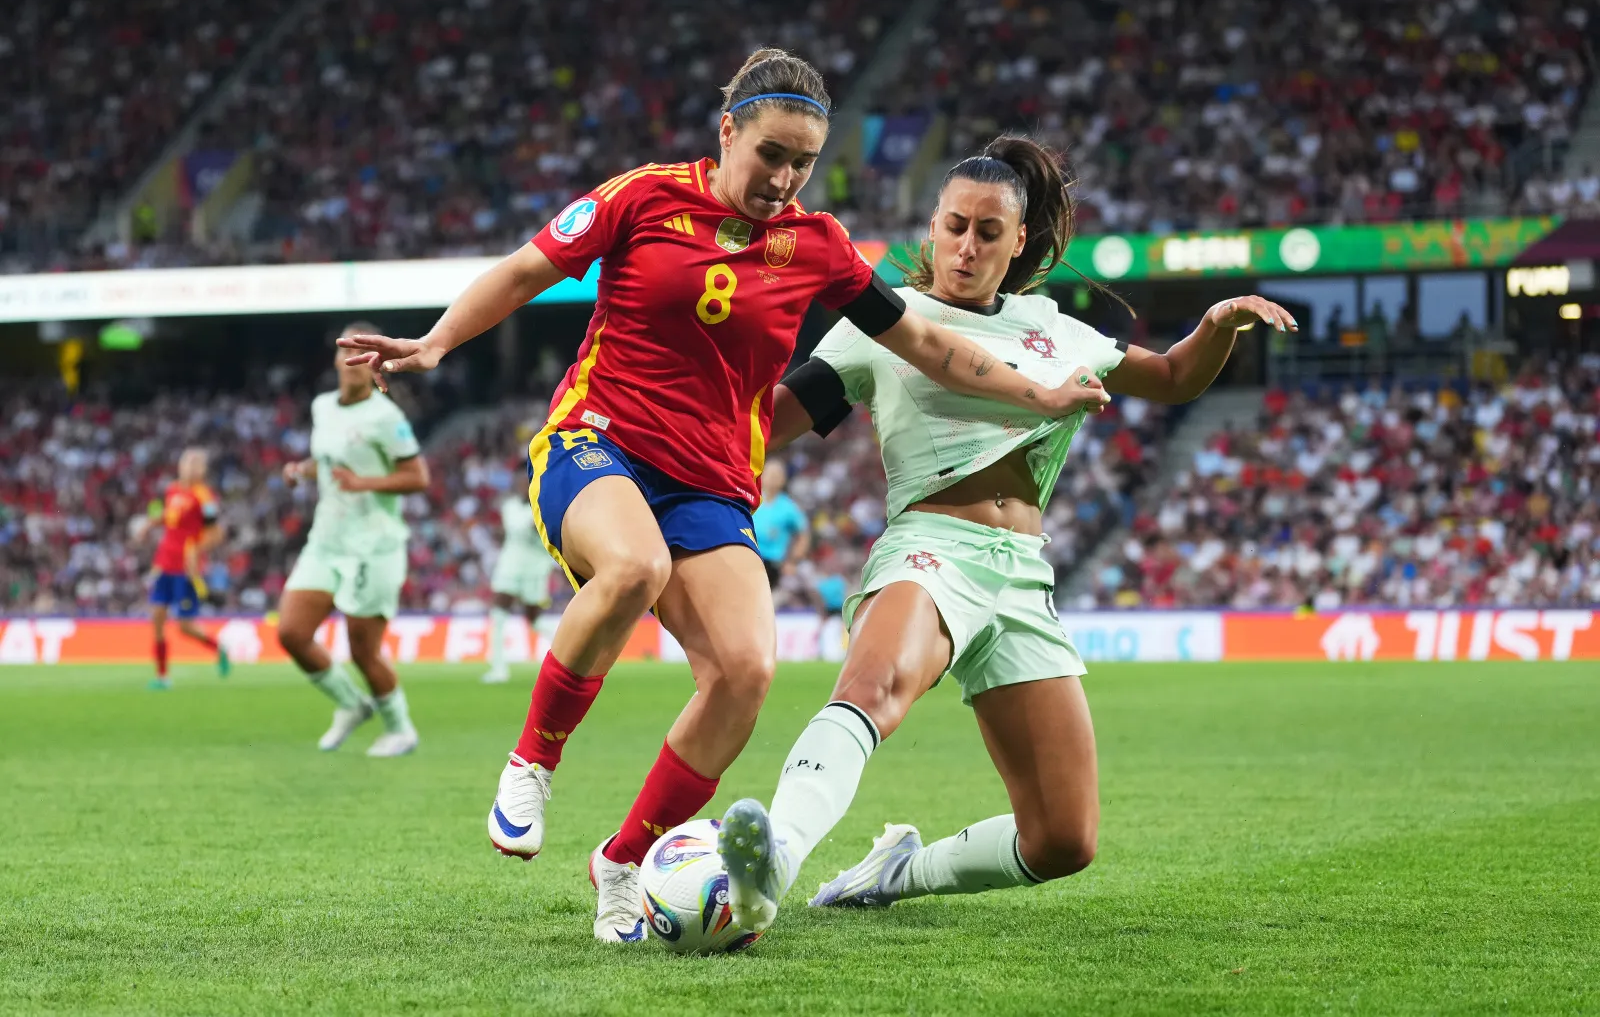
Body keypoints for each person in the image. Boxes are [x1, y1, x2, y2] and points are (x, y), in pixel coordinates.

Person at [337, 50, 1104, 943]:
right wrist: (436, 344)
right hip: (599, 444)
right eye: (770, 153)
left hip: (712, 483)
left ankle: (621, 862)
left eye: (802, 164)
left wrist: (1039, 393)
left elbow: (932, 348)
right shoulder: (641, 198)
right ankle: (532, 762)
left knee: (745, 674)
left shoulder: (819, 247)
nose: (783, 179)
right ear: (728, 130)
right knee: (631, 566)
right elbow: (523, 271)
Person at [713, 135, 1297, 933]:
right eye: (955, 225)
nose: (967, 246)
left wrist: (1221, 322)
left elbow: (1170, 378)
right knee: (874, 690)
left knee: (1063, 838)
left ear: (1019, 242)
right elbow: (767, 424)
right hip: (931, 548)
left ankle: (894, 871)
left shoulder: (1052, 330)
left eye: (989, 233)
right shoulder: (886, 320)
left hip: (1023, 574)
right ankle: (774, 856)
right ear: (932, 226)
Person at [276, 322, 431, 758]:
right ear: (335, 361)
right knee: (291, 632)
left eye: (364, 355)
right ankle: (351, 704)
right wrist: (301, 470)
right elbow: (327, 460)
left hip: (373, 546)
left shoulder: (386, 417)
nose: (353, 363)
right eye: (346, 353)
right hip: (326, 539)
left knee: (364, 650)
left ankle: (400, 729)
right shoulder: (323, 407)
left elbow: (418, 477)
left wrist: (363, 482)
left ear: (375, 364)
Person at [138, 447, 229, 689]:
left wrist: (196, 550)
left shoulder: (205, 497)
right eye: (185, 462)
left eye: (195, 463)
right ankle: (162, 676)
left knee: (185, 626)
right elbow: (170, 515)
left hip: (186, 568)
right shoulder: (172, 490)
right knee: (157, 617)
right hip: (164, 562)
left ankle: (219, 649)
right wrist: (149, 525)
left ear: (203, 469)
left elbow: (217, 532)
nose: (189, 467)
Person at [483, 486, 560, 684]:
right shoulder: (509, 506)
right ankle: (498, 668)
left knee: (534, 620)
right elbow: (507, 532)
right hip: (509, 565)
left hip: (536, 569)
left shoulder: (544, 504)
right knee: (498, 615)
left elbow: (545, 531)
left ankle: (569, 652)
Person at [751, 459, 809, 588]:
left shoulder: (789, 508)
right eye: (770, 474)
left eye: (777, 475)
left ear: (783, 480)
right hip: (749, 558)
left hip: (772, 564)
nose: (773, 478)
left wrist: (793, 561)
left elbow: (803, 535)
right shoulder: (752, 500)